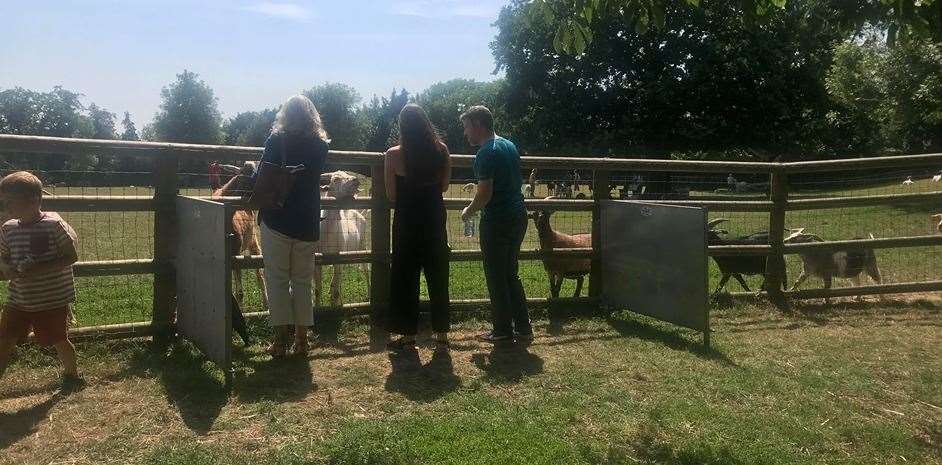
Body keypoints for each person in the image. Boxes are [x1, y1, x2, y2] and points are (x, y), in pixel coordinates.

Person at [257, 95, 328, 357]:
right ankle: (301, 340)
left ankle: (280, 340)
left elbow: (263, 173)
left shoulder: (277, 140)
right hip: (308, 220)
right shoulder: (321, 146)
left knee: (276, 279)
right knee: (302, 280)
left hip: (278, 217)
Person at [0, 171, 82, 389]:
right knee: (4, 338)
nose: (6, 208)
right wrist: (6, 268)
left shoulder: (54, 225)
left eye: (11, 202)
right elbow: (3, 257)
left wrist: (38, 269)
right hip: (18, 298)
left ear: (35, 200)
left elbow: (71, 256)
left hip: (51, 299)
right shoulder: (8, 229)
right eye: (4, 202)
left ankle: (73, 376)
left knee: (59, 339)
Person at [459, 106, 531, 342]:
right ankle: (523, 326)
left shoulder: (485, 153)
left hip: (498, 220)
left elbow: (484, 194)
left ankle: (502, 330)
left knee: (496, 275)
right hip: (518, 215)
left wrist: (468, 211)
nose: (465, 133)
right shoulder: (508, 145)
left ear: (478, 124)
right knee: (511, 273)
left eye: (467, 126)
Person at [384, 104, 452, 351]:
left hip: (407, 221)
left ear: (402, 126)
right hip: (434, 219)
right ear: (426, 124)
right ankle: (442, 333)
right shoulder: (441, 151)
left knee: (405, 276)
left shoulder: (392, 155)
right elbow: (444, 186)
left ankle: (407, 335)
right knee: (438, 274)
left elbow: (391, 195)